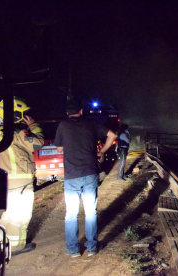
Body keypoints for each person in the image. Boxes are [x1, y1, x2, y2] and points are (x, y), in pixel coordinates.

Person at [54, 98, 117, 258]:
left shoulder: (63, 125)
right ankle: (92, 247)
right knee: (90, 212)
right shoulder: (91, 124)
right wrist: (101, 151)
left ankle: (73, 249)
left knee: (71, 214)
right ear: (81, 111)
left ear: (67, 113)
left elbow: (60, 148)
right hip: (90, 173)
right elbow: (112, 135)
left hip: (71, 176)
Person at [0, 97, 44, 256]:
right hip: (20, 182)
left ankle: (1, 244)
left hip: (3, 182)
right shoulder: (17, 133)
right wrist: (34, 126)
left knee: (5, 215)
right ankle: (16, 246)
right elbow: (38, 142)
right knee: (20, 215)